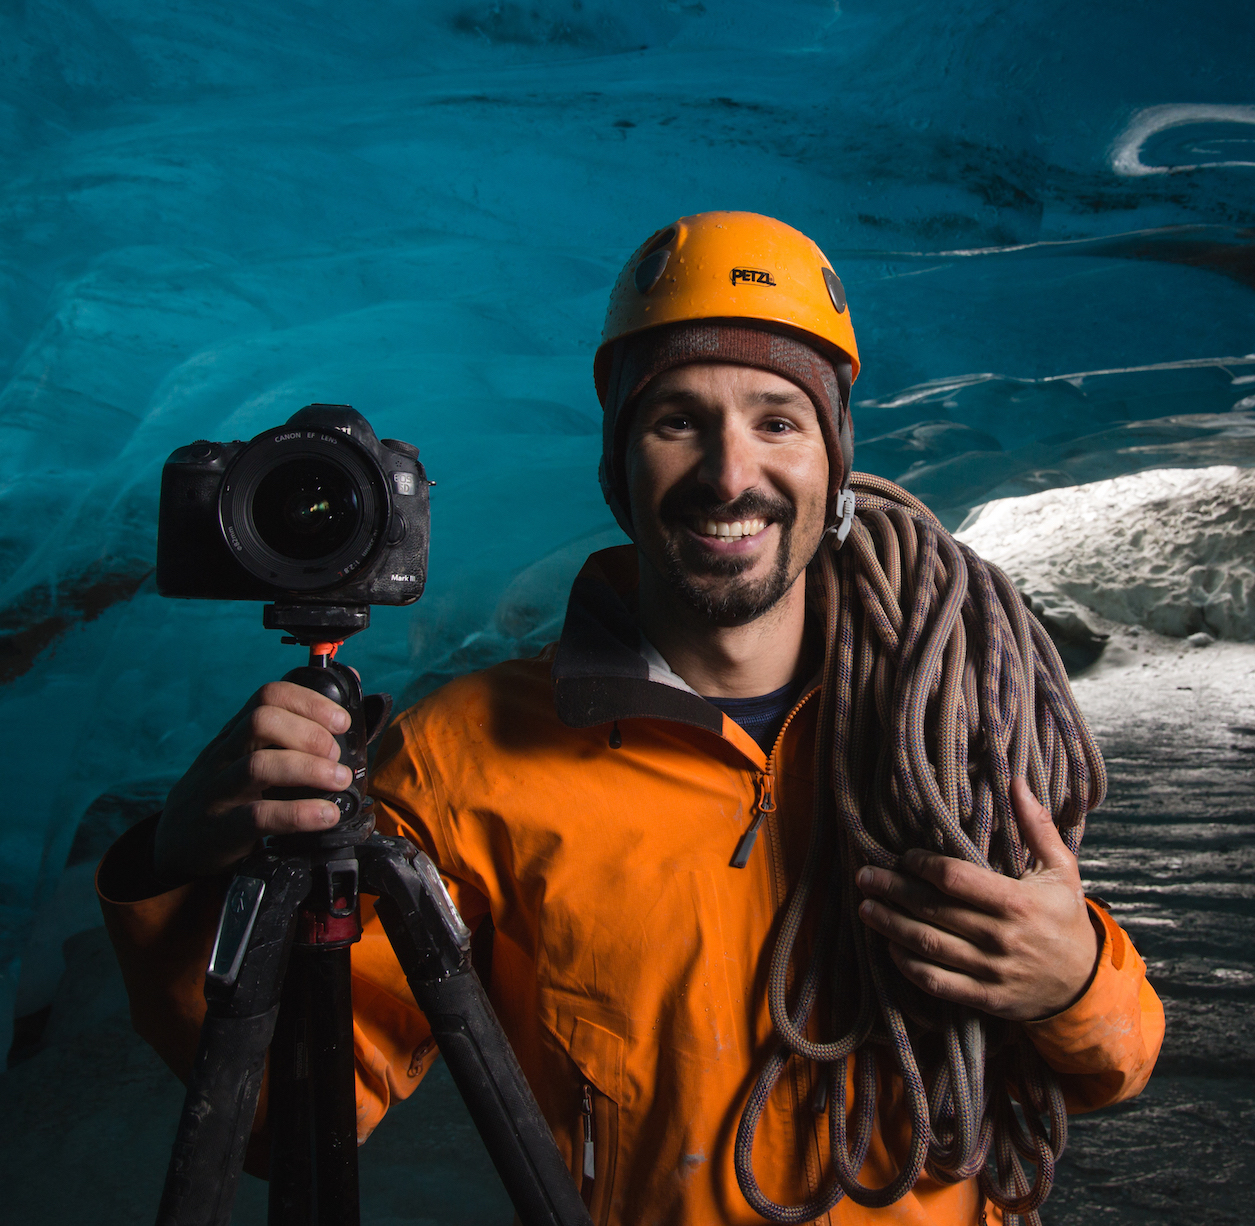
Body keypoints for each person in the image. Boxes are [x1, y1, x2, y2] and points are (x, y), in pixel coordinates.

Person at [98, 212, 1163, 1225]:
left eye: (776, 420)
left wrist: (1073, 979)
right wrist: (180, 867)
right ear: (617, 465)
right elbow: (287, 1118)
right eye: (676, 420)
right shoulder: (467, 758)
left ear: (833, 459)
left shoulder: (945, 713)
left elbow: (1114, 1060)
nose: (730, 473)